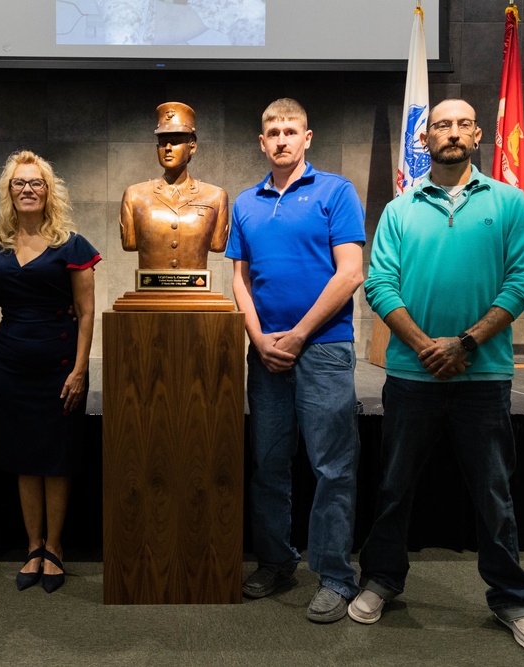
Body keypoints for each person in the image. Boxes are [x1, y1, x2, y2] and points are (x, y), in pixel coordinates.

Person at [356, 98, 524, 656]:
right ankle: (382, 582)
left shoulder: (509, 203)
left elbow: (523, 284)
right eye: (439, 125)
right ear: (424, 139)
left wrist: (464, 343)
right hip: (411, 377)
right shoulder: (400, 209)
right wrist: (425, 348)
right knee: (394, 488)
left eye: (461, 124)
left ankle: (514, 600)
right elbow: (379, 286)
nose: (450, 133)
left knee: (494, 496)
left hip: (483, 378)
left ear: (477, 133)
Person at [226, 98, 365, 623]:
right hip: (265, 355)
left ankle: (334, 575)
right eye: (273, 132)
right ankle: (277, 561)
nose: (282, 139)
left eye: (291, 131)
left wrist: (300, 335)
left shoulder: (336, 192)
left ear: (308, 138)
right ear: (261, 142)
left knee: (332, 466)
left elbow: (350, 272)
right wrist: (260, 339)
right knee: (268, 464)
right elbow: (239, 278)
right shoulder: (245, 203)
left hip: (324, 349)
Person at [0, 150, 100, 594]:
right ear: (8, 192)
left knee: (57, 458)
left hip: (59, 364)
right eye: (19, 183)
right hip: (9, 363)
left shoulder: (71, 244)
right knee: (22, 459)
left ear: (49, 191)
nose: (27, 189)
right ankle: (32, 546)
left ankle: (55, 547)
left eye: (36, 183)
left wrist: (79, 370)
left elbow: (87, 314)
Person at [120, 102, 229, 271]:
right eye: (163, 142)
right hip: (149, 295)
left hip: (196, 294)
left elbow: (217, 245)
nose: (168, 149)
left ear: (192, 146)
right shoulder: (134, 196)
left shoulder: (215, 197)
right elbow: (129, 243)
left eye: (176, 141)